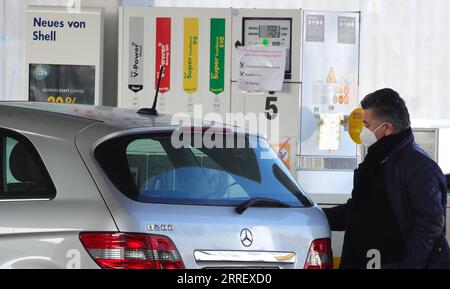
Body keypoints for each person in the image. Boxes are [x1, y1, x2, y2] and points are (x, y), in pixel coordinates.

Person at [323, 88, 450, 269]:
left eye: (367, 125)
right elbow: (360, 209)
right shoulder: (377, 161)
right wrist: (316, 217)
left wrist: (408, 266)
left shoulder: (417, 165)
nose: (363, 131)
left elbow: (429, 223)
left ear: (387, 128)